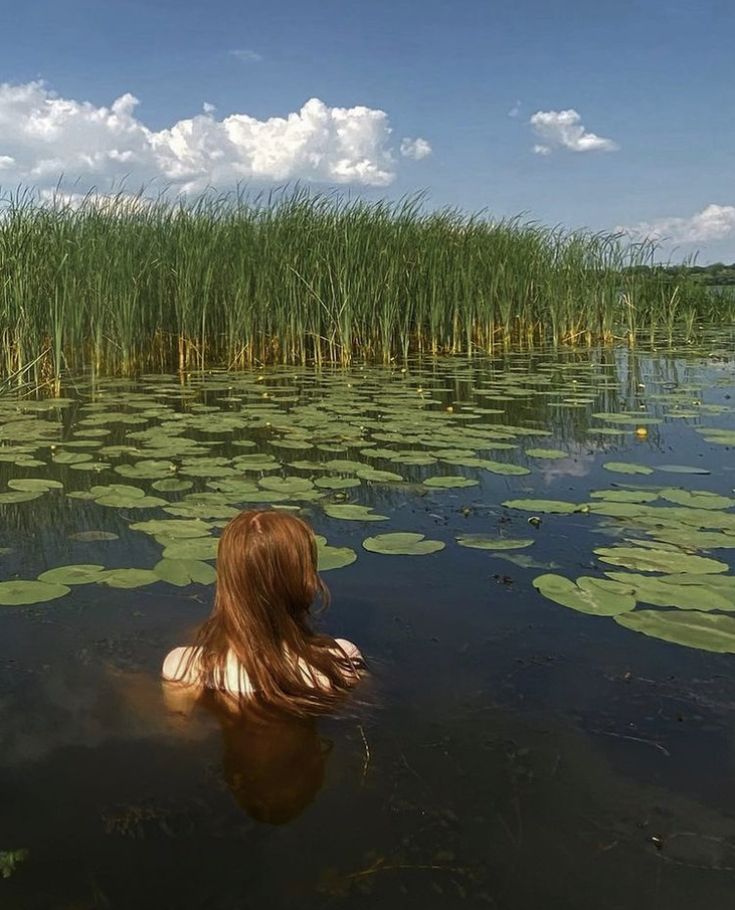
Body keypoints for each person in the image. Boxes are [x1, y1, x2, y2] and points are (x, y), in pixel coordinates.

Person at [162, 509, 363, 714]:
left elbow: (181, 732)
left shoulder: (182, 667)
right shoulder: (341, 662)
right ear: (305, 582)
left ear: (228, 580)